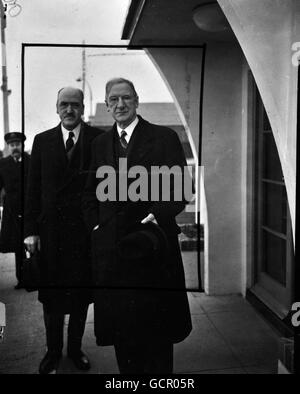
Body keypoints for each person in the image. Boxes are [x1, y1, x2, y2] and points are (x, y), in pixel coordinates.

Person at [83, 78, 192, 374]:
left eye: (126, 98)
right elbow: (90, 191)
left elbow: (182, 190)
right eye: (114, 100)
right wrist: (96, 225)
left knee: (157, 333)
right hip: (115, 253)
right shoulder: (100, 144)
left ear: (137, 100)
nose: (120, 105)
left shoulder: (164, 137)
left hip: (153, 247)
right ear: (107, 105)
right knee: (123, 334)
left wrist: (157, 215)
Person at [24, 87, 104, 374]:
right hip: (52, 234)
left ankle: (75, 349)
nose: (69, 110)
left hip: (84, 234)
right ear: (56, 108)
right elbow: (31, 191)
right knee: (52, 298)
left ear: (82, 108)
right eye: (63, 104)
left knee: (82, 297)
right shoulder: (43, 141)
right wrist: (30, 231)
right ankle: (53, 352)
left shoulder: (98, 139)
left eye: (74, 104)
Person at [0, 132, 30, 289]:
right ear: (8, 147)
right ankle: (22, 279)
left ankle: (36, 275)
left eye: (17, 144)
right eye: (12, 145)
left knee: (34, 243)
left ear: (22, 145)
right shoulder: (3, 164)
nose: (15, 148)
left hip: (30, 208)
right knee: (17, 246)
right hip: (12, 211)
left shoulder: (31, 161)